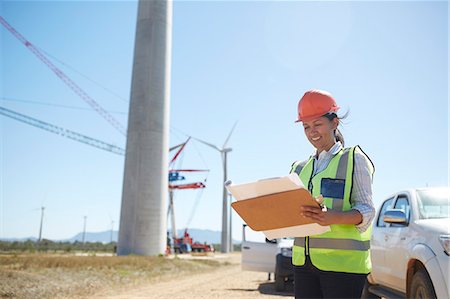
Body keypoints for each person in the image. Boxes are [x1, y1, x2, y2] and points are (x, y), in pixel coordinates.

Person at [290, 89, 375, 299]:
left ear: (334, 123)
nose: (312, 132)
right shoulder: (298, 168)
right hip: (304, 264)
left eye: (317, 124)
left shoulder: (354, 158)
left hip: (343, 266)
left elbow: (367, 210)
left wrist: (333, 217)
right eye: (306, 127)